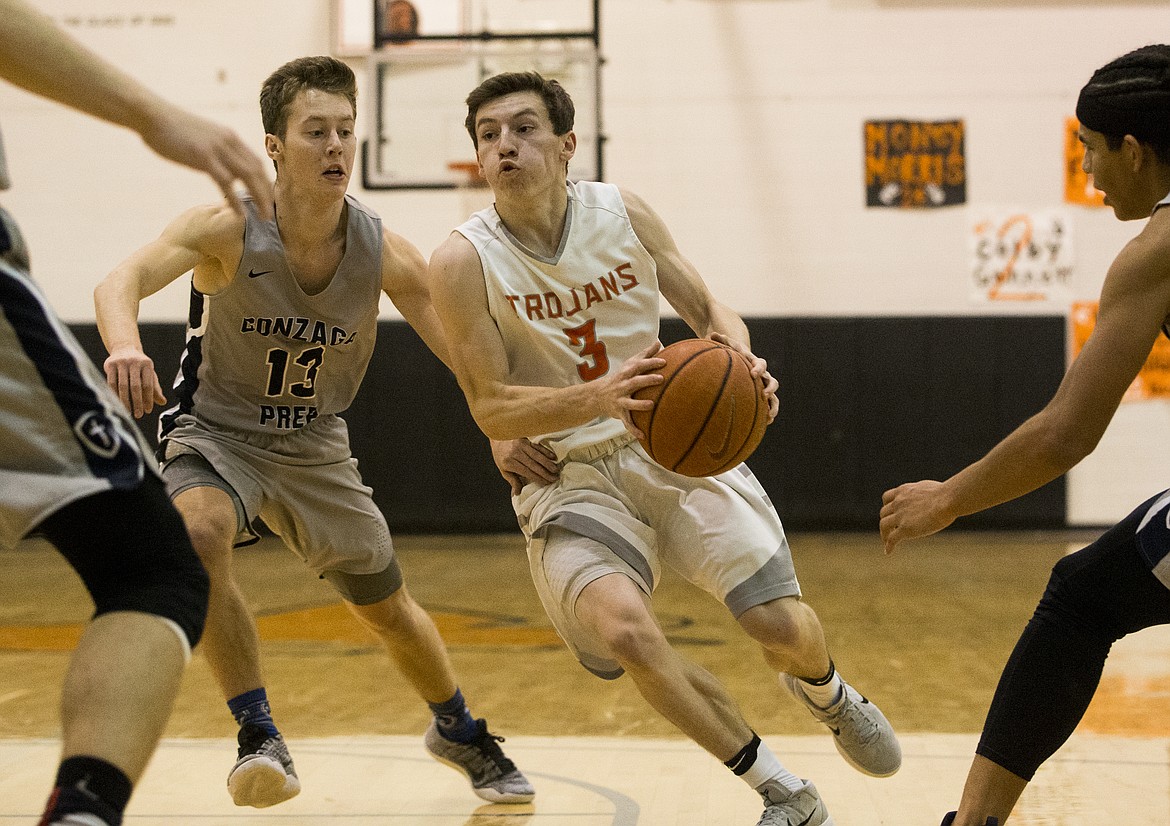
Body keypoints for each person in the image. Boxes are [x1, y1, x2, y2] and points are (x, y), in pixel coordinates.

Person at [427, 70, 902, 826]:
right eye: (489, 136)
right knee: (625, 630)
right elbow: (488, 402)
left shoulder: (624, 212)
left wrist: (742, 361)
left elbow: (710, 309)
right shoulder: (460, 261)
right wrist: (597, 397)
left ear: (567, 143)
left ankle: (827, 691)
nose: (505, 146)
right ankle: (784, 793)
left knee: (781, 630)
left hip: (670, 452)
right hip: (568, 472)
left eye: (523, 128)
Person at [94, 55, 534, 810]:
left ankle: (458, 727)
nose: (335, 147)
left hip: (315, 444)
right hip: (217, 432)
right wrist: (125, 344)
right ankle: (256, 731)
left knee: (387, 607)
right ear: (273, 146)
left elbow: (464, 352)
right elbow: (119, 282)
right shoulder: (230, 226)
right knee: (194, 533)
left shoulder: (383, 249)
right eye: (315, 132)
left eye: (345, 131)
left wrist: (499, 424)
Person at [879, 44, 1170, 826]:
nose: (1088, 167)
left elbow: (1064, 436)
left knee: (1078, 604)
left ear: (1137, 153)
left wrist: (947, 498)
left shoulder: (1155, 253)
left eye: (1092, 148)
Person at [0, 2, 275, 825]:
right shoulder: (213, 228)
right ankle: (82, 810)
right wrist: (155, 116)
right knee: (153, 567)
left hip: (301, 444)